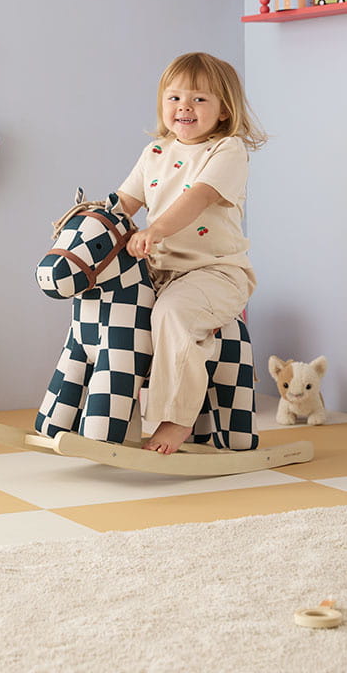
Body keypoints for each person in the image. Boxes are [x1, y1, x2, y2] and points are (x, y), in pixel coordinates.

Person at [117, 52, 267, 454]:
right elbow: (123, 203)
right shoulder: (155, 152)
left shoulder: (227, 150)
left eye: (199, 99)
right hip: (159, 272)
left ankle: (175, 420)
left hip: (214, 274)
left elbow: (197, 197)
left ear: (223, 110)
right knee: (113, 313)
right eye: (175, 97)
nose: (184, 107)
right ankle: (106, 414)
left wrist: (155, 229)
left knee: (173, 314)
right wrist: (91, 223)